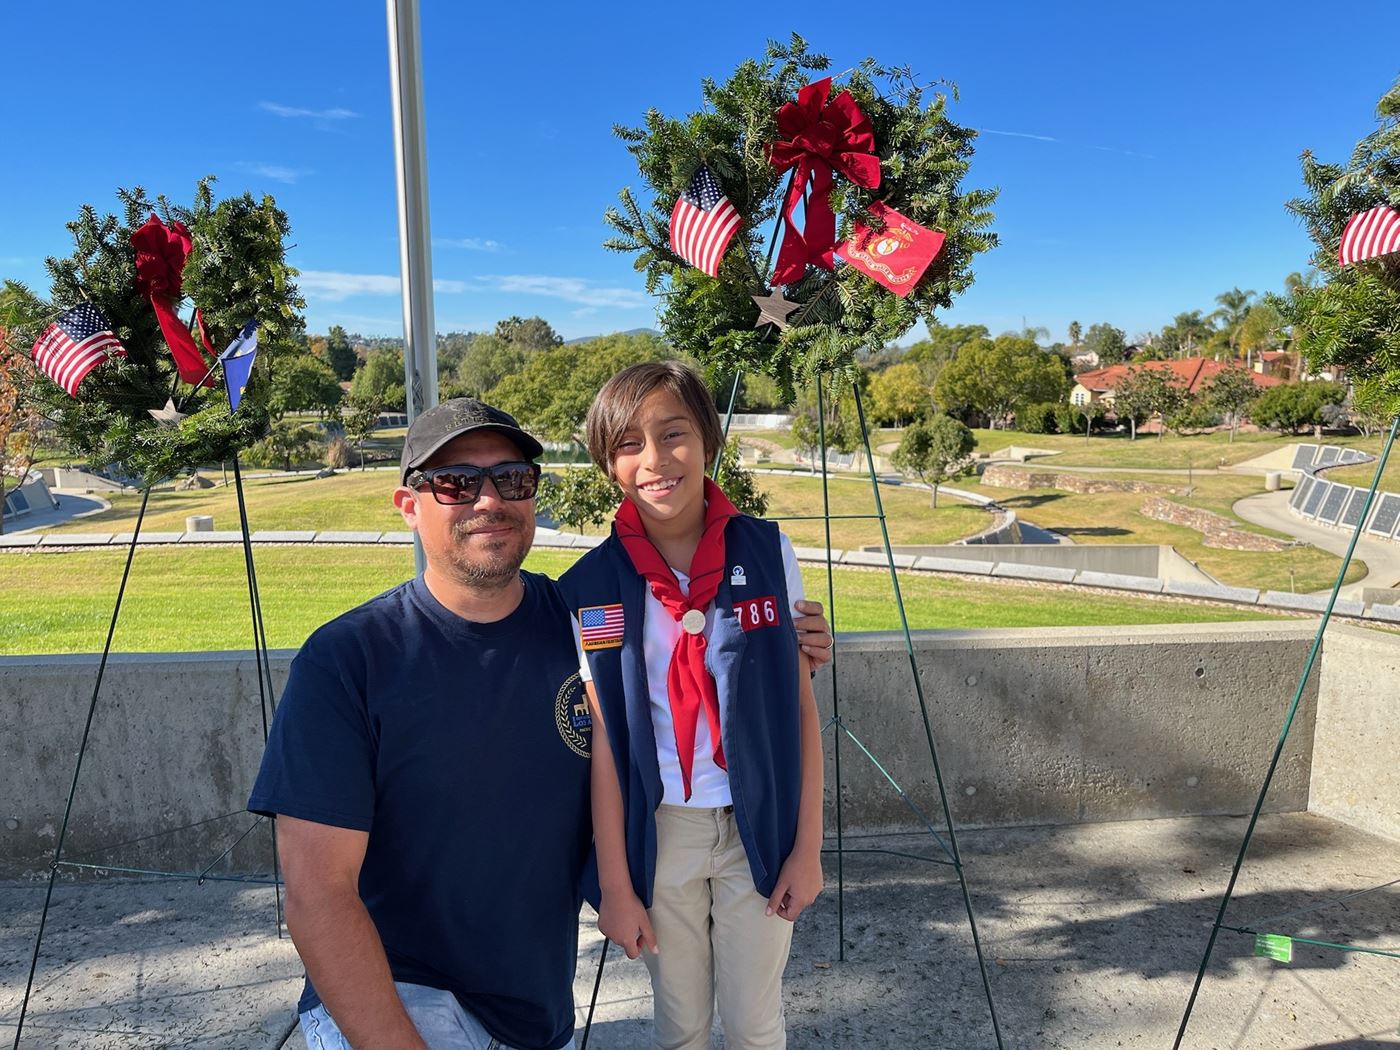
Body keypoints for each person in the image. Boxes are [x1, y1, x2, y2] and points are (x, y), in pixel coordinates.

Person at [247, 398, 833, 1050]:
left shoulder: (578, 619)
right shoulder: (347, 659)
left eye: (513, 479)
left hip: (535, 1020)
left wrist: (797, 637)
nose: (489, 499)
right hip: (400, 998)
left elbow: (696, 639)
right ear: (409, 505)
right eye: (455, 482)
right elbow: (317, 896)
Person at [559, 363, 825, 1050]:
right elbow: (608, 747)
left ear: (707, 439)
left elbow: (796, 711)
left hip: (757, 827)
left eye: (673, 433)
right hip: (663, 834)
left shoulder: (768, 551)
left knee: (754, 1021)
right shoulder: (591, 586)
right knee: (679, 1023)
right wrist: (616, 885)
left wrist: (808, 848)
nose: (654, 460)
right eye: (627, 444)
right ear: (607, 464)